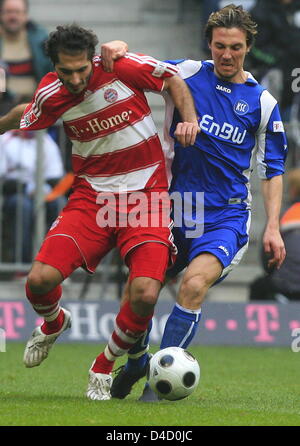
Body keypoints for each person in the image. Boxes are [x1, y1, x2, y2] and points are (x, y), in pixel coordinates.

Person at [0, 24, 199, 400]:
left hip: (145, 197)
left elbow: (173, 79)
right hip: (92, 200)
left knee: (144, 293)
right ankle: (54, 322)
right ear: (53, 66)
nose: (75, 79)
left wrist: (188, 119)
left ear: (92, 58)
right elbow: (23, 113)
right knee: (39, 281)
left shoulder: (120, 66)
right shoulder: (53, 94)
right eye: (65, 71)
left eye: (81, 70)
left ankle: (103, 366)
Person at [101, 3, 287, 401]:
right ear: (209, 43)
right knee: (139, 293)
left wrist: (272, 227)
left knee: (194, 284)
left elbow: (273, 168)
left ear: (248, 47)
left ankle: (156, 382)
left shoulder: (263, 103)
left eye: (235, 47)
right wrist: (117, 47)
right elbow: (132, 65)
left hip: (226, 216)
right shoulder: (184, 73)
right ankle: (136, 360)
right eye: (220, 46)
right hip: (174, 208)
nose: (226, 54)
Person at [0, 129, 65, 263]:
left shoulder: (46, 140)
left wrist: (42, 189)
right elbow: (3, 176)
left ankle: (54, 263)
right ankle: (22, 265)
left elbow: (55, 175)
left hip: (43, 192)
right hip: (14, 192)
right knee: (23, 207)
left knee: (60, 204)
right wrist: (26, 188)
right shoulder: (5, 139)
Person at [249, 168, 300, 301]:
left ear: (293, 190)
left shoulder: (282, 214)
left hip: (284, 286)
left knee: (258, 286)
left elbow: (266, 256)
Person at [0, 0, 53, 103]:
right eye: (8, 12)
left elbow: (53, 71)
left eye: (17, 12)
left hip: (35, 104)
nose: (13, 17)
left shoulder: (41, 40)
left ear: (26, 15)